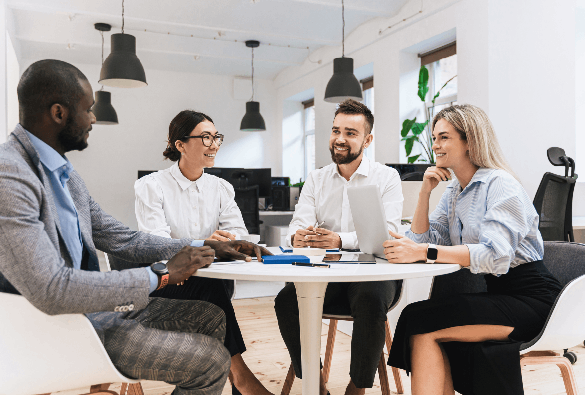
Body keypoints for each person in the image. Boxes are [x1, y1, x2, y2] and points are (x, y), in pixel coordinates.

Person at [0, 59, 269, 395]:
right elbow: (52, 290)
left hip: (91, 315)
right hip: (61, 331)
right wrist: (160, 274)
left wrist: (205, 245)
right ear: (59, 113)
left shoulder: (65, 175)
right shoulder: (9, 175)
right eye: (88, 109)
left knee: (212, 315)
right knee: (212, 360)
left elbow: (123, 238)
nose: (94, 118)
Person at [384, 104, 562, 395]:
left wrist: (426, 252)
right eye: (434, 138)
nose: (435, 145)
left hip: (534, 301)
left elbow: (495, 256)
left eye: (444, 137)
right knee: (417, 319)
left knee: (420, 323)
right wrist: (425, 192)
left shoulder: (501, 185)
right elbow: (421, 241)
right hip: (500, 295)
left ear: (470, 142)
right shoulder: (456, 190)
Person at [134, 110, 272, 395]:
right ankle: (241, 378)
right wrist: (204, 243)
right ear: (180, 144)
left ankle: (237, 379)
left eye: (216, 137)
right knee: (210, 287)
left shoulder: (221, 188)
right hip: (169, 284)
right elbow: (156, 243)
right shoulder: (151, 186)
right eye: (205, 137)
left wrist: (230, 240)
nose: (214, 144)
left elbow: (240, 234)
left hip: (211, 281)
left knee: (210, 285)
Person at [274, 99, 403, 395]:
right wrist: (299, 237)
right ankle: (315, 385)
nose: (340, 139)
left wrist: (339, 240)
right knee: (286, 301)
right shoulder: (317, 179)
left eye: (350, 133)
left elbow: (390, 235)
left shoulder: (386, 178)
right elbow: (297, 226)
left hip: (374, 274)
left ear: (367, 140)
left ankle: (356, 388)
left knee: (370, 298)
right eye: (335, 131)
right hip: (326, 274)